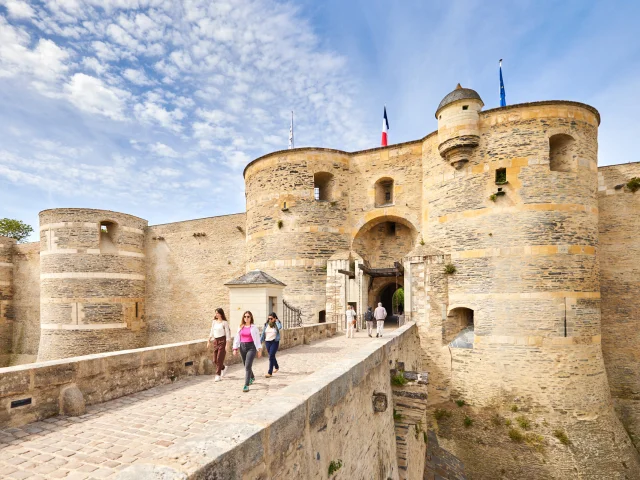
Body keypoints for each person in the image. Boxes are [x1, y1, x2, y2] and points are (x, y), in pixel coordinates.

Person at [232, 311, 262, 392]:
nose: (246, 318)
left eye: (248, 316)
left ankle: (246, 385)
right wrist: (235, 348)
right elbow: (237, 338)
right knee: (246, 365)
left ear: (251, 317)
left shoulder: (254, 327)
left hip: (251, 347)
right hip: (242, 347)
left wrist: (259, 350)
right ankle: (252, 377)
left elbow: (258, 339)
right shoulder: (240, 327)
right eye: (245, 316)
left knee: (248, 366)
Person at [207, 307, 231, 382]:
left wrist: (227, 344)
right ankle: (223, 368)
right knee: (214, 360)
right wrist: (208, 340)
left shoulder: (224, 322)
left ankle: (218, 375)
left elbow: (227, 334)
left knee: (219, 359)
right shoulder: (214, 322)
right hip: (215, 341)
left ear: (221, 314)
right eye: (216, 313)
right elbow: (211, 331)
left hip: (222, 341)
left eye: (217, 313)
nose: (216, 314)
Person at [260, 312, 282, 378]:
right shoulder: (266, 325)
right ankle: (277, 366)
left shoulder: (276, 325)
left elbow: (279, 327)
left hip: (274, 342)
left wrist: (277, 321)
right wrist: (260, 342)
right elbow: (263, 333)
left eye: (271, 318)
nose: (270, 320)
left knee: (271, 356)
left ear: (275, 318)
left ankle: (269, 372)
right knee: (271, 356)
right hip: (267, 342)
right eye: (269, 318)